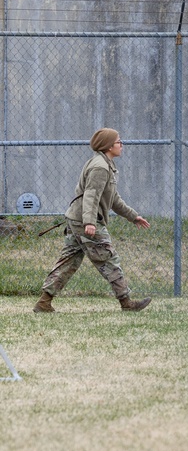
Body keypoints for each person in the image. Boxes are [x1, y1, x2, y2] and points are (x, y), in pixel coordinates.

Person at [33, 128, 152, 313]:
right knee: (108, 258)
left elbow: (113, 198)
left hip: (77, 219)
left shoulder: (106, 165)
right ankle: (126, 303)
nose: (122, 145)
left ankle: (44, 302)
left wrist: (133, 216)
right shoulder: (100, 167)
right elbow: (91, 195)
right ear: (108, 146)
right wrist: (89, 222)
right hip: (86, 221)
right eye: (119, 141)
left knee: (69, 262)